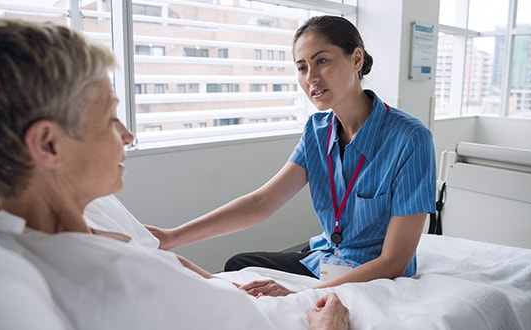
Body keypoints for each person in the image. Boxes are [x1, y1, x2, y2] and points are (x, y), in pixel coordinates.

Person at [0, 18, 349, 330]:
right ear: (48, 145)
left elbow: (156, 256)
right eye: (109, 118)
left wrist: (204, 271)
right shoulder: (122, 283)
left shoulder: (25, 215)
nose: (128, 136)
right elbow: (261, 203)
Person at [146, 15, 437, 297]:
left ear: (356, 60)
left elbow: (394, 261)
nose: (311, 77)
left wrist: (301, 295)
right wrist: (172, 237)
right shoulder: (317, 130)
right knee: (240, 264)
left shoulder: (410, 138)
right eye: (301, 67)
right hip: (323, 260)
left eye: (322, 61)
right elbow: (261, 203)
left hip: (372, 275)